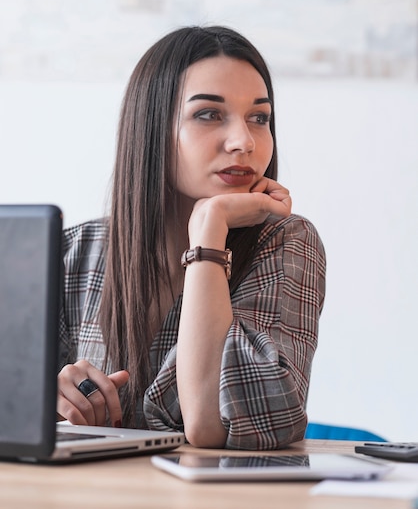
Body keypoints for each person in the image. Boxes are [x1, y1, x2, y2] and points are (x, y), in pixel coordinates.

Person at [57, 25, 326, 450]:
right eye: (209, 114)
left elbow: (214, 426)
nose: (243, 141)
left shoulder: (286, 243)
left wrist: (209, 231)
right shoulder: (74, 252)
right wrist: (54, 399)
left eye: (259, 118)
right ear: (151, 129)